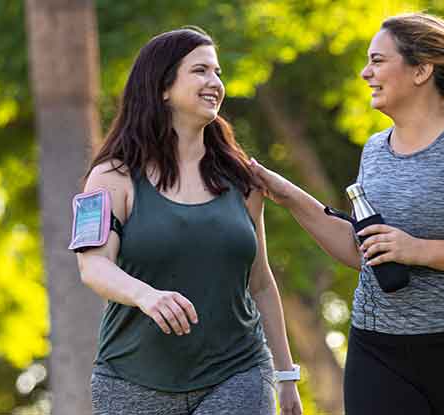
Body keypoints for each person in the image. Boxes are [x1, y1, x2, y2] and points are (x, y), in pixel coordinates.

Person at [250, 13, 444, 415]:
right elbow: (364, 253)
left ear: (421, 70)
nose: (366, 73)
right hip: (376, 349)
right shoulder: (375, 150)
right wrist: (289, 195)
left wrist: (416, 249)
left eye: (378, 61)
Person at [74, 27, 302, 415]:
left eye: (217, 73)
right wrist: (147, 295)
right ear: (163, 87)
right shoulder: (110, 177)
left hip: (238, 373)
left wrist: (285, 376)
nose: (215, 83)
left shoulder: (242, 179)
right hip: (131, 381)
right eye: (200, 71)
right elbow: (92, 265)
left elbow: (260, 281)